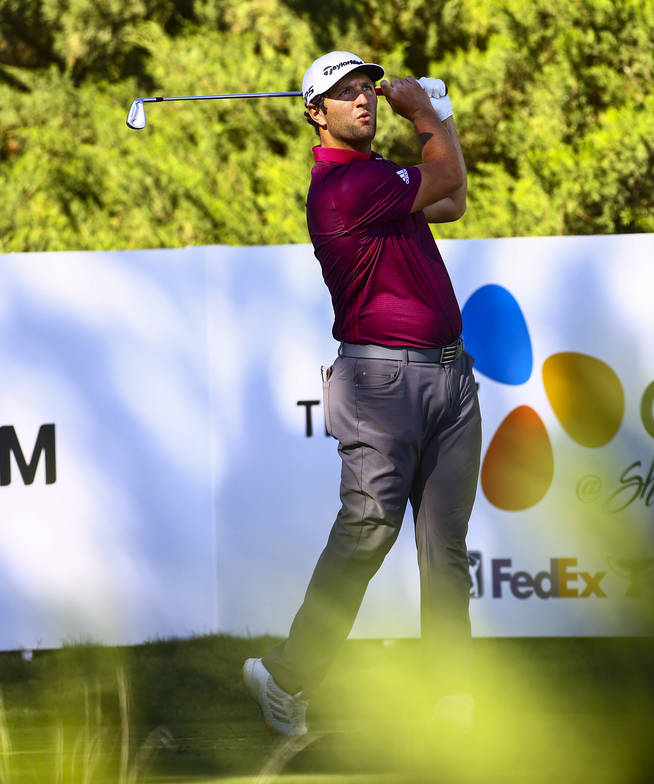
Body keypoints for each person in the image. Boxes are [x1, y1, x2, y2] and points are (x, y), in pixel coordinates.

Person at [242, 51, 481, 737]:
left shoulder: (382, 179)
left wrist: (443, 120)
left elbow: (455, 197)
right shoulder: (342, 189)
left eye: (368, 90)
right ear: (315, 114)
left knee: (446, 549)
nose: (364, 101)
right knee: (367, 533)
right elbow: (443, 173)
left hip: (449, 376)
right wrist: (428, 114)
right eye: (344, 95)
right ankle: (285, 678)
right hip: (382, 384)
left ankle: (452, 700)